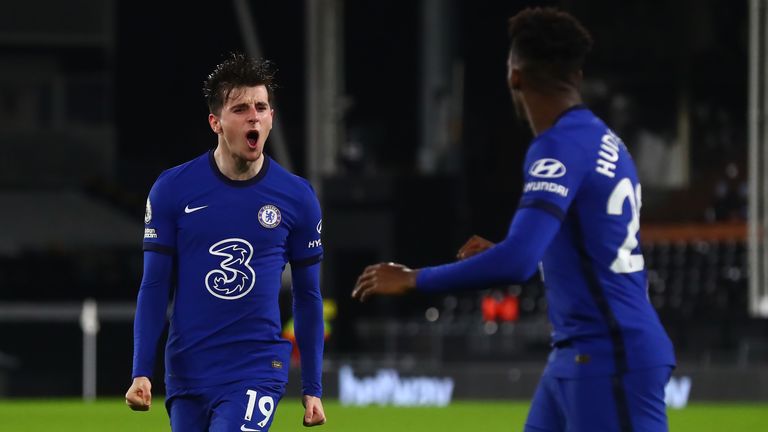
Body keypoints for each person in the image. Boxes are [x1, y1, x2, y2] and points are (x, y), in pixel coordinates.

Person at [352, 7, 675, 432]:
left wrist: (414, 278)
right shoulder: (601, 138)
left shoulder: (556, 147)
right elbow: (586, 246)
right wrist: (512, 251)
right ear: (576, 77)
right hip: (578, 355)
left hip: (608, 356)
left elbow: (515, 264)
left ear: (514, 76)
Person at [125, 52, 327, 431]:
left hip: (256, 369)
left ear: (271, 118)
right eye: (240, 108)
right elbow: (154, 286)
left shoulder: (297, 197)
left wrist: (313, 386)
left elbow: (308, 296)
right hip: (188, 370)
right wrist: (141, 370)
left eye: (261, 107)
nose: (254, 116)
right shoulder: (173, 189)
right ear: (215, 122)